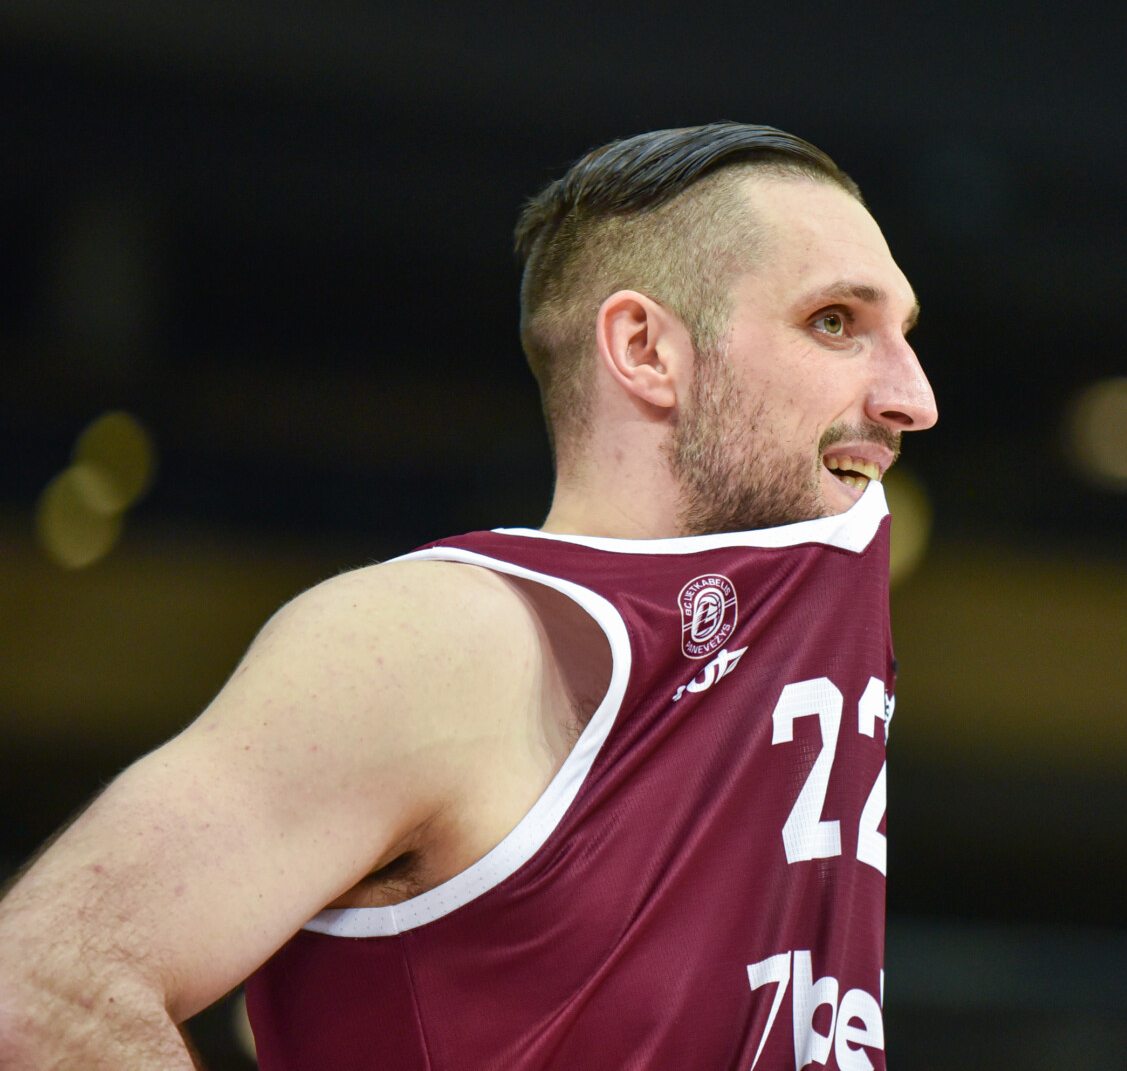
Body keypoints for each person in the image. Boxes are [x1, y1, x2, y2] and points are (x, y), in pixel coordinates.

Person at [0, 122, 936, 1070]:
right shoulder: (451, 638)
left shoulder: (803, 654)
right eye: (835, 322)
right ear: (646, 348)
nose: (915, 397)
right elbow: (41, 991)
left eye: (904, 334)